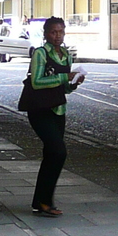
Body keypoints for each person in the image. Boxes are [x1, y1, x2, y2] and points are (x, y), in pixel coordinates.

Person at [20, 16, 85, 217]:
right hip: (40, 110)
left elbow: (64, 88)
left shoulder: (66, 55)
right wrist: (64, 76)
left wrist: (73, 82)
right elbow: (37, 82)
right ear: (46, 34)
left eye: (61, 32)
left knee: (52, 154)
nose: (58, 36)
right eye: (53, 32)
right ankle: (43, 201)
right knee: (58, 152)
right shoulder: (40, 53)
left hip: (58, 110)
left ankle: (42, 202)